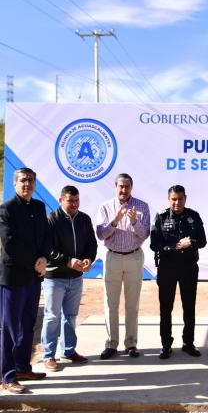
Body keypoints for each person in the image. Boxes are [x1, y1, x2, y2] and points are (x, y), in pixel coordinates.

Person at [0, 168, 51, 394]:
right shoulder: (6, 209)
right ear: (15, 184)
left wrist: (44, 258)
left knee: (27, 325)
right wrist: (34, 262)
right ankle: (7, 375)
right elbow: (10, 244)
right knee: (9, 327)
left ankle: (22, 367)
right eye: (23, 180)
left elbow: (46, 237)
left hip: (34, 277)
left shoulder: (39, 208)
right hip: (13, 277)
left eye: (31, 180)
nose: (27, 184)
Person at [41, 185, 97, 371]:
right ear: (60, 200)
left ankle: (69, 350)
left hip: (76, 277)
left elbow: (92, 243)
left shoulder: (84, 219)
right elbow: (47, 249)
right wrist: (67, 261)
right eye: (70, 200)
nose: (74, 204)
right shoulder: (51, 220)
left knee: (70, 316)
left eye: (76, 200)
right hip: (55, 277)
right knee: (52, 317)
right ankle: (48, 356)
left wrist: (89, 259)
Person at [96, 173, 150, 359]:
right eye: (121, 186)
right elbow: (101, 235)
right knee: (111, 303)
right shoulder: (105, 207)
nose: (124, 190)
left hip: (134, 257)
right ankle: (111, 344)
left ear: (131, 187)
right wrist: (115, 221)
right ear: (115, 187)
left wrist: (134, 221)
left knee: (132, 304)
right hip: (113, 258)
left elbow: (144, 235)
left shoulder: (142, 206)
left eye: (127, 187)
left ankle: (131, 343)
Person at [150, 185, 207, 359]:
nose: (177, 202)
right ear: (169, 199)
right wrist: (174, 246)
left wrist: (191, 242)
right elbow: (154, 244)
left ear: (185, 199)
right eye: (174, 199)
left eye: (180, 199)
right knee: (165, 308)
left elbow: (203, 240)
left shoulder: (193, 216)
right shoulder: (160, 216)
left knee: (189, 307)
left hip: (189, 267)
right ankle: (166, 345)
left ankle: (188, 343)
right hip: (167, 267)